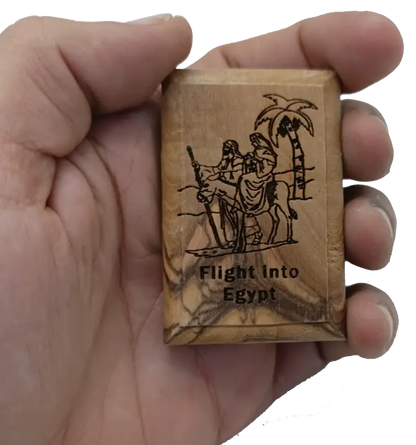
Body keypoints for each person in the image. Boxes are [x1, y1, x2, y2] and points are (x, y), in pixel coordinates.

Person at [0, 11, 402, 445]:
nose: (244, 152)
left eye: (249, 149)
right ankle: (236, 239)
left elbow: (253, 176)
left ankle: (252, 237)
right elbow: (225, 173)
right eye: (241, 149)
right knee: (223, 202)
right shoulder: (234, 161)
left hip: (255, 200)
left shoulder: (258, 163)